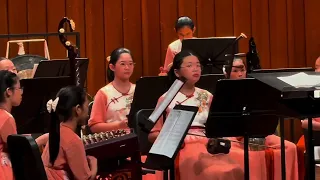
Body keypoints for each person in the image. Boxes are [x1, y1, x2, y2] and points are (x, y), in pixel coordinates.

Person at [149, 50, 246, 180]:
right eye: (189, 66)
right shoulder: (166, 98)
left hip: (208, 142)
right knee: (213, 172)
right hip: (182, 145)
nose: (196, 69)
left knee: (238, 163)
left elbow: (218, 126)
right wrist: (175, 140)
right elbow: (153, 135)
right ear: (177, 72)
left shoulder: (207, 95)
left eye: (198, 65)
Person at [224, 57, 298, 180]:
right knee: (252, 155)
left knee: (290, 147)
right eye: (235, 71)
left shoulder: (256, 90)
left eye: (242, 69)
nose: (240, 74)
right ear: (226, 73)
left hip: (258, 133)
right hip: (233, 136)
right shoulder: (222, 93)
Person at [41, 86, 98, 180]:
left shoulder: (57, 130)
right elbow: (84, 178)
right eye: (87, 106)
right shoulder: (73, 140)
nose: (88, 111)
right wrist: (94, 163)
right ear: (78, 109)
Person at [88, 48, 135, 133]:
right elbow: (94, 126)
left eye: (130, 64)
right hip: (114, 141)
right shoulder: (104, 93)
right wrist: (119, 126)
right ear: (112, 67)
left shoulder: (137, 89)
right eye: (123, 64)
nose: (127, 67)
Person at [0, 70, 23, 180]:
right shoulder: (7, 118)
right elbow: (17, 151)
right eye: (19, 88)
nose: (21, 92)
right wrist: (42, 140)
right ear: (9, 91)